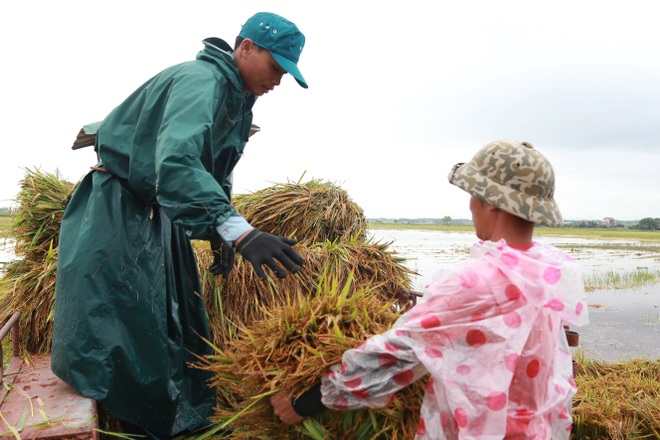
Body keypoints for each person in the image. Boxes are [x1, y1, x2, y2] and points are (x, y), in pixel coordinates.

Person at [51, 12, 307, 439]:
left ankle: (175, 418)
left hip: (156, 212)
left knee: (178, 321)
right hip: (117, 207)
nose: (278, 81)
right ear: (245, 47)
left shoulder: (237, 101)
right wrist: (239, 232)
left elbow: (215, 171)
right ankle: (131, 423)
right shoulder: (200, 81)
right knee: (121, 323)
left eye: (286, 73)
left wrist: (217, 230)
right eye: (276, 67)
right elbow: (176, 163)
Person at [271, 140, 589, 439]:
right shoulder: (544, 274)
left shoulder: (474, 281)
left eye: (473, 195)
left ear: (491, 203)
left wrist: (305, 403)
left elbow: (396, 354)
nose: (470, 205)